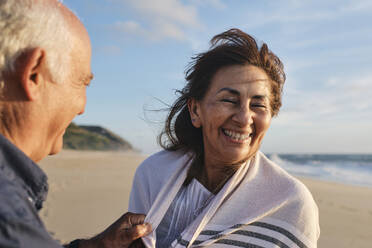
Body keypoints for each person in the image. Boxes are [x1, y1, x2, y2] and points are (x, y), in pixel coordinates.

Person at [129, 29, 320, 248]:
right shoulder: (153, 175)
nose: (244, 118)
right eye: (229, 100)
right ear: (195, 111)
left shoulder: (290, 204)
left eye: (258, 105)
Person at [0, 1, 151, 247]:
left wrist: (95, 246)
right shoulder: (9, 221)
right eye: (83, 83)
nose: (82, 107)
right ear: (33, 75)